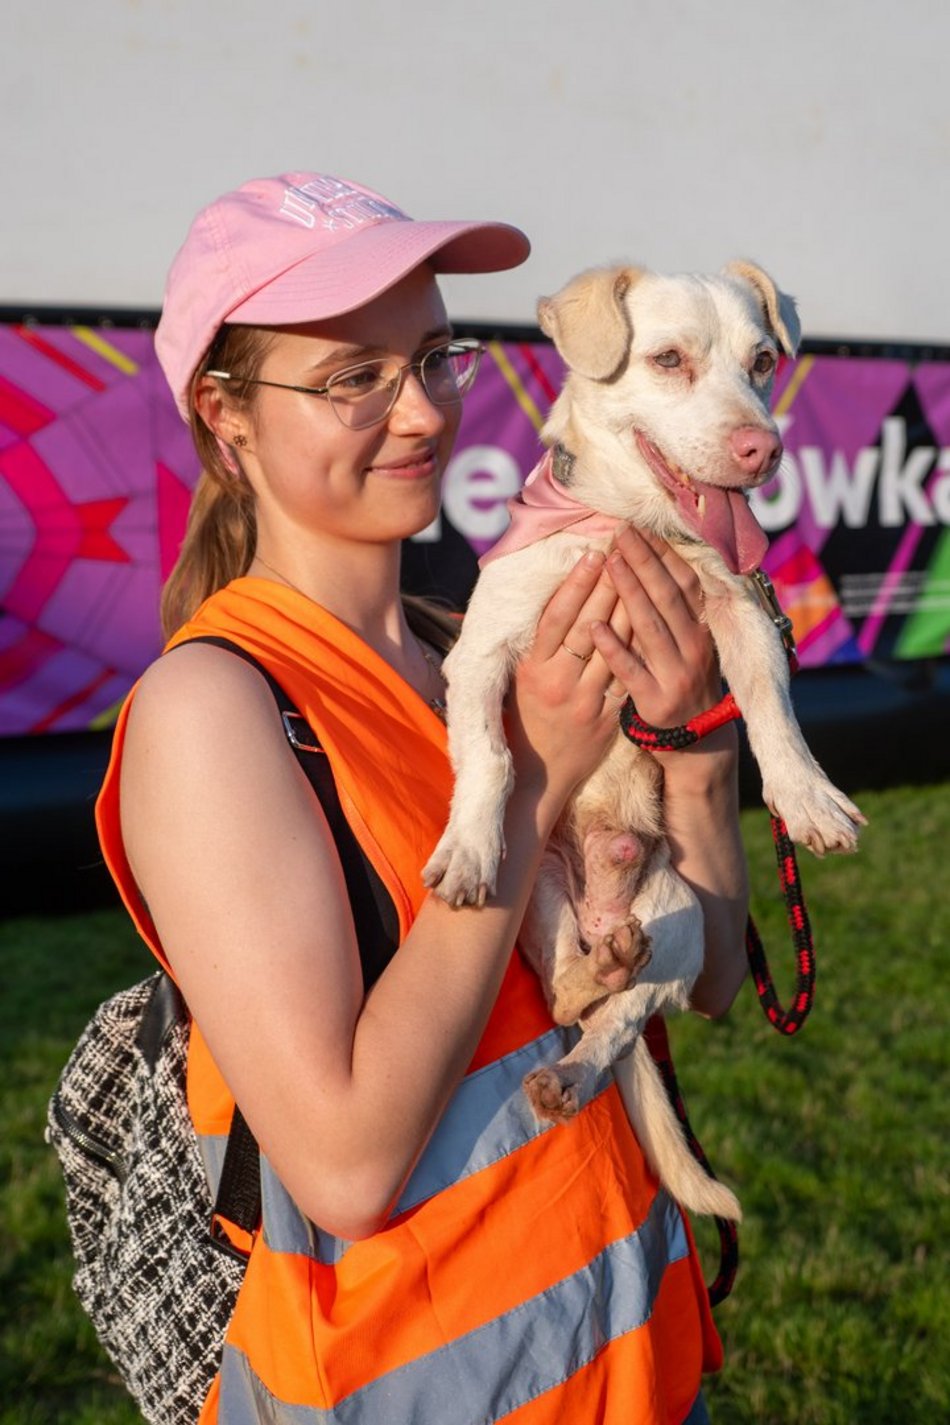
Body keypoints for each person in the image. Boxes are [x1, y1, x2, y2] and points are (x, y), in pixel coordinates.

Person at [95, 172, 749, 1425]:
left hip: (632, 1362)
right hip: (423, 1389)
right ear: (225, 420)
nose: (420, 413)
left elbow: (709, 979)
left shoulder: (477, 647)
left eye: (434, 357)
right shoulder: (213, 711)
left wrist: (699, 761)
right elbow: (344, 1162)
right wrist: (540, 776)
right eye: (353, 376)